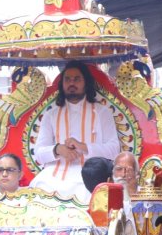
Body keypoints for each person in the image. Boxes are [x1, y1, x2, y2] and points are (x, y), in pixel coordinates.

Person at [30, 60, 120, 201]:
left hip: (91, 175)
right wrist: (58, 149)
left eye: (77, 79)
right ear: (62, 84)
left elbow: (114, 151)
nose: (72, 83)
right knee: (38, 188)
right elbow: (38, 155)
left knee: (86, 192)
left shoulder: (102, 112)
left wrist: (83, 147)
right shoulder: (51, 115)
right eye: (67, 79)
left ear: (86, 83)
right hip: (53, 176)